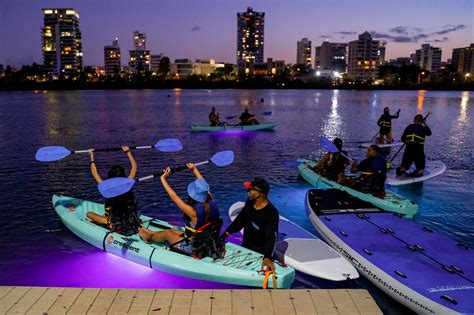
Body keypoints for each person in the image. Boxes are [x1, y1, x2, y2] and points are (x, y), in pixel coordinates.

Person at [139, 163, 222, 257]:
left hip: (193, 248)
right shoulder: (211, 200)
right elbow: (204, 187)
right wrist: (194, 169)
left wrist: (163, 179)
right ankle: (152, 232)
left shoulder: (192, 212)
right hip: (207, 242)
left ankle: (147, 236)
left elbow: (173, 196)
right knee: (173, 230)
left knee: (168, 233)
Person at [221, 178, 278, 272]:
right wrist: (227, 233)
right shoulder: (250, 202)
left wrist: (267, 257)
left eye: (250, 189)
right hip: (246, 248)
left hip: (259, 254)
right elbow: (240, 220)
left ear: (257, 193)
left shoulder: (271, 213)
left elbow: (271, 238)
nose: (247, 191)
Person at [87, 146, 141, 236]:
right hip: (131, 219)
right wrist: (128, 152)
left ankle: (107, 223)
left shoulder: (107, 188)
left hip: (115, 222)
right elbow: (134, 167)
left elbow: (94, 173)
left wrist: (91, 156)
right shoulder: (128, 184)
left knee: (89, 214)